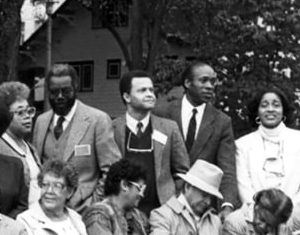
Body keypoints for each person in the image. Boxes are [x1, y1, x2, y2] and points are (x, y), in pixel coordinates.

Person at [32, 63, 121, 210]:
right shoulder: (41, 122)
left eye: (66, 91)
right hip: (46, 211)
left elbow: (112, 171)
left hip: (84, 210)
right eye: (54, 92)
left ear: (76, 88)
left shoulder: (97, 120)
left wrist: (94, 204)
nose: (60, 96)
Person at [154, 61, 239, 213]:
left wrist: (227, 205)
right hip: (165, 203)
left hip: (203, 205)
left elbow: (227, 169)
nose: (210, 86)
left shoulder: (222, 122)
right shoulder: (162, 114)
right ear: (187, 82)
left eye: (213, 81)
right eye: (203, 80)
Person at [111, 71, 189, 214]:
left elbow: (182, 172)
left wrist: (173, 201)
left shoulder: (169, 128)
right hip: (122, 213)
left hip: (163, 212)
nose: (150, 94)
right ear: (126, 96)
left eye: (151, 90)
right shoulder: (112, 129)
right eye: (142, 90)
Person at [235, 85, 300, 203]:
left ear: (284, 111)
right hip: (256, 216)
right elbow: (244, 188)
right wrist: (261, 214)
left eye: (276, 105)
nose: (270, 109)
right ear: (257, 111)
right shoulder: (242, 145)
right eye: (264, 105)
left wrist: (286, 211)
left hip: (294, 215)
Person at [0, 80, 42, 206]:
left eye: (29, 111)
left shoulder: (31, 148)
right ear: (5, 115)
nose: (27, 117)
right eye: (20, 112)